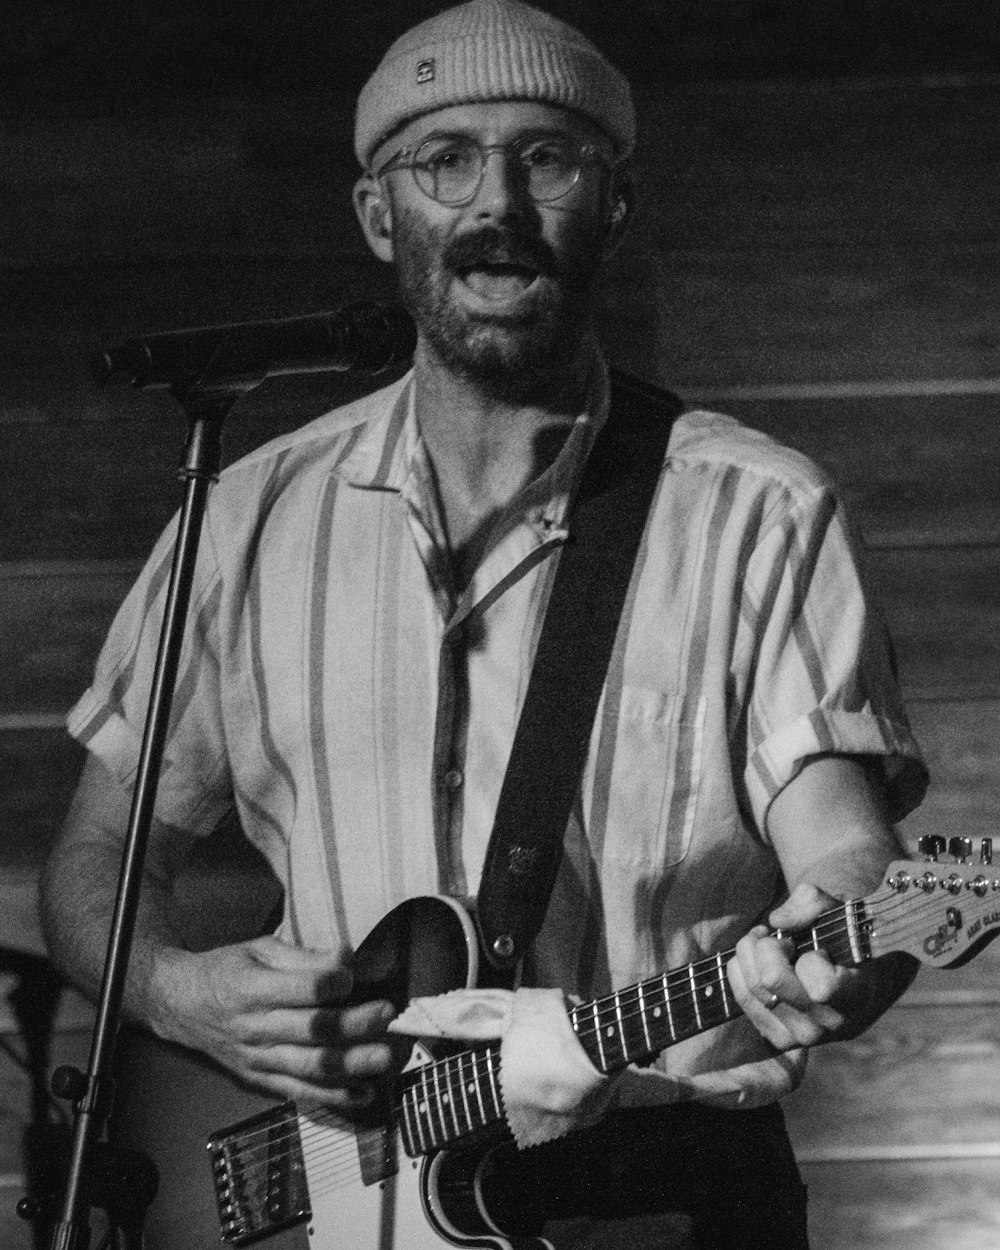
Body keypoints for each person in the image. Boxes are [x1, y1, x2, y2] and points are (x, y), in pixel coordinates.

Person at [40, 1, 928, 1246]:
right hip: (326, 1201)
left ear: (612, 204)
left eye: (546, 158)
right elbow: (92, 867)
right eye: (443, 159)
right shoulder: (240, 518)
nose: (494, 203)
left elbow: (850, 859)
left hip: (654, 1192)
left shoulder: (755, 512)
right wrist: (174, 991)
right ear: (376, 214)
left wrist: (843, 941)